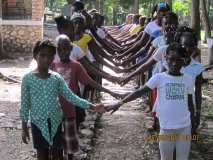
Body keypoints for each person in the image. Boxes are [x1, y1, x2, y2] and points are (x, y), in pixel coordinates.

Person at [106, 43, 197, 160]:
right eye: (171, 59)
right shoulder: (159, 78)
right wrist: (119, 103)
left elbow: (190, 105)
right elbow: (139, 91)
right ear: (165, 58)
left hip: (184, 128)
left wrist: (193, 126)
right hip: (166, 128)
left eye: (178, 60)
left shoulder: (187, 79)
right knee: (166, 158)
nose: (174, 63)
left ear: (183, 61)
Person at [20, 40, 105, 160]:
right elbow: (25, 105)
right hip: (37, 123)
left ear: (53, 57)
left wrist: (92, 106)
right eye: (42, 55)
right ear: (35, 56)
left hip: (56, 121)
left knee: (57, 153)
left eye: (50, 56)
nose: (46, 59)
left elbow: (71, 96)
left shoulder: (56, 78)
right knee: (42, 154)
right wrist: (24, 128)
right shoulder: (27, 79)